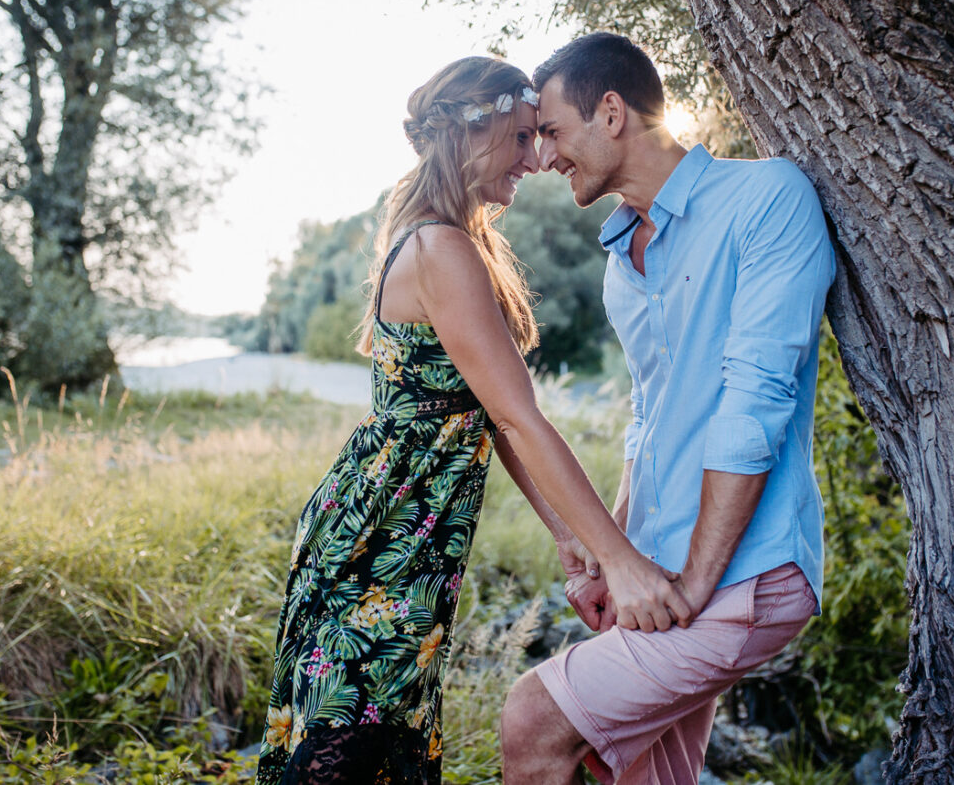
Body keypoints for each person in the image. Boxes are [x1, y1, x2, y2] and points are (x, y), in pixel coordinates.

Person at [255, 56, 692, 785]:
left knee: (377, 744)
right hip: (381, 545)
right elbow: (519, 418)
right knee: (346, 749)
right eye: (522, 138)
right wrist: (618, 558)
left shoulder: (453, 239)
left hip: (399, 539)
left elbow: (487, 416)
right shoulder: (441, 246)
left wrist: (566, 537)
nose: (536, 158)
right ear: (472, 131)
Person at [500, 33, 837, 785]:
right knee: (647, 775)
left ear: (611, 112)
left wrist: (692, 584)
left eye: (552, 131)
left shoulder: (766, 199)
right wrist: (613, 553)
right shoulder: (623, 261)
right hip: (664, 573)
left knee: (533, 718)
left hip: (745, 571)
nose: (544, 156)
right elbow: (648, 417)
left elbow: (755, 405)